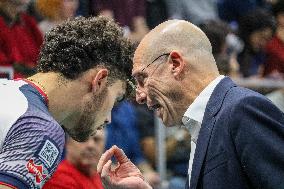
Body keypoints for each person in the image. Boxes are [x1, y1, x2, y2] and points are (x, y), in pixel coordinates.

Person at [97, 19, 284, 189]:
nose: (139, 96)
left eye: (142, 78)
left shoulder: (242, 109)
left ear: (175, 64)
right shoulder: (204, 124)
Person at [0, 16, 134, 189]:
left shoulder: (7, 90)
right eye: (115, 100)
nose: (108, 118)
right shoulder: (40, 127)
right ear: (99, 80)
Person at [0, 0, 43, 78]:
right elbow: (4, 69)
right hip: (13, 85)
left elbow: (44, 52)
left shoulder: (28, 21)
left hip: (37, 80)